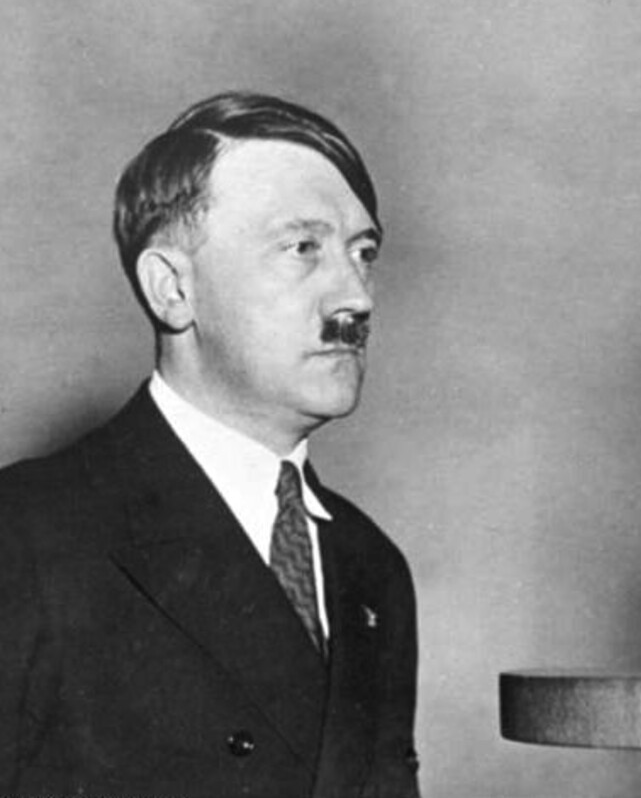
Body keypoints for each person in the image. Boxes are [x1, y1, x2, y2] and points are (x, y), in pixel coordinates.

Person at [0, 92, 420, 798]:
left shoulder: (371, 566)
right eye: (302, 248)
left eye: (363, 253)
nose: (357, 298)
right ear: (172, 290)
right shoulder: (25, 534)